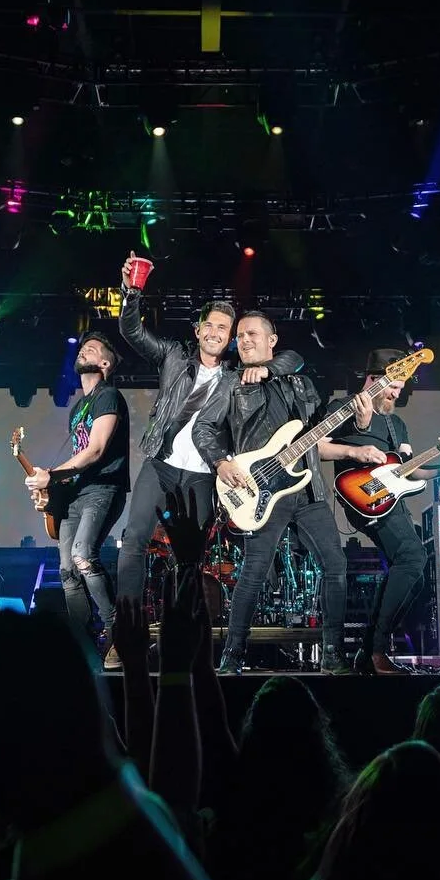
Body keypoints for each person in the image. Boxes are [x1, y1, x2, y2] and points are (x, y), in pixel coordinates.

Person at [107, 253, 305, 669]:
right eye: (210, 326)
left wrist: (267, 371)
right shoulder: (173, 357)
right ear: (197, 331)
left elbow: (292, 361)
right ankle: (124, 637)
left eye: (224, 328)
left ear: (231, 337)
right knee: (134, 541)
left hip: (203, 477)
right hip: (160, 464)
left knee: (190, 559)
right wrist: (132, 292)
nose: (216, 333)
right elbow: (131, 331)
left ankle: (185, 636)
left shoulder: (237, 374)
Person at [192, 311, 349, 673]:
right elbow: (203, 429)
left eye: (252, 334)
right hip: (258, 488)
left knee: (336, 566)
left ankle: (333, 653)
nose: (243, 340)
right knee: (254, 572)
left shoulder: (299, 382)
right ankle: (232, 656)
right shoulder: (230, 383)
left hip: (307, 488)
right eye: (240, 336)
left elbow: (316, 425)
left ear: (272, 341)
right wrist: (221, 462)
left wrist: (357, 420)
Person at [319, 348, 440, 674]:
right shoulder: (343, 408)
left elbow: (409, 470)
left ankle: (369, 650)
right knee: (412, 559)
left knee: (415, 579)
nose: (398, 392)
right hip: (362, 497)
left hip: (393, 502)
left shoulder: (396, 424)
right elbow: (318, 447)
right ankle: (377, 650)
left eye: (401, 386)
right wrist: (355, 450)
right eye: (393, 384)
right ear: (373, 378)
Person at [24, 332, 131, 653]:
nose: (84, 351)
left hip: (103, 488)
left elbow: (95, 450)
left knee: (83, 556)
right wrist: (49, 489)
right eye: (82, 348)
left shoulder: (108, 395)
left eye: (93, 349)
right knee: (67, 570)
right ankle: (82, 639)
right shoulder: (77, 409)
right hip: (76, 495)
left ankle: (117, 629)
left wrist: (51, 475)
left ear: (105, 364)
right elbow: (77, 459)